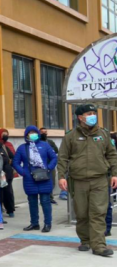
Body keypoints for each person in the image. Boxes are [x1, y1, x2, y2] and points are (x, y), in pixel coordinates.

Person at [58, 104, 117, 257]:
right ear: (80, 117)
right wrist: (61, 176)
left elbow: (112, 155)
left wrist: (115, 173)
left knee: (98, 212)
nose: (93, 116)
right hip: (78, 181)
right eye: (89, 113)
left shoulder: (103, 134)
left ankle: (99, 245)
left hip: (100, 180)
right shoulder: (70, 136)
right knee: (82, 213)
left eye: (93, 113)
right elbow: (63, 157)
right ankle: (85, 240)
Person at [13, 126, 57, 233]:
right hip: (30, 179)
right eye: (30, 133)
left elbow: (54, 157)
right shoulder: (22, 148)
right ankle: (34, 223)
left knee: (45, 201)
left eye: (35, 132)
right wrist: (23, 172)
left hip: (44, 177)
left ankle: (47, 223)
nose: (33, 134)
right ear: (26, 135)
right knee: (32, 202)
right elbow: (15, 162)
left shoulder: (45, 145)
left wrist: (49, 168)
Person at [0, 134, 15, 218]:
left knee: (8, 193)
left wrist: (10, 164)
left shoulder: (4, 147)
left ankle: (10, 210)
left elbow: (13, 157)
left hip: (7, 174)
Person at [40, 127, 60, 204]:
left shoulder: (50, 142)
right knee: (43, 182)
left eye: (45, 132)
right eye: (42, 132)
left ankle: (50, 197)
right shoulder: (37, 142)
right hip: (41, 166)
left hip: (51, 165)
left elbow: (56, 150)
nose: (44, 133)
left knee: (52, 182)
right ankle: (43, 198)